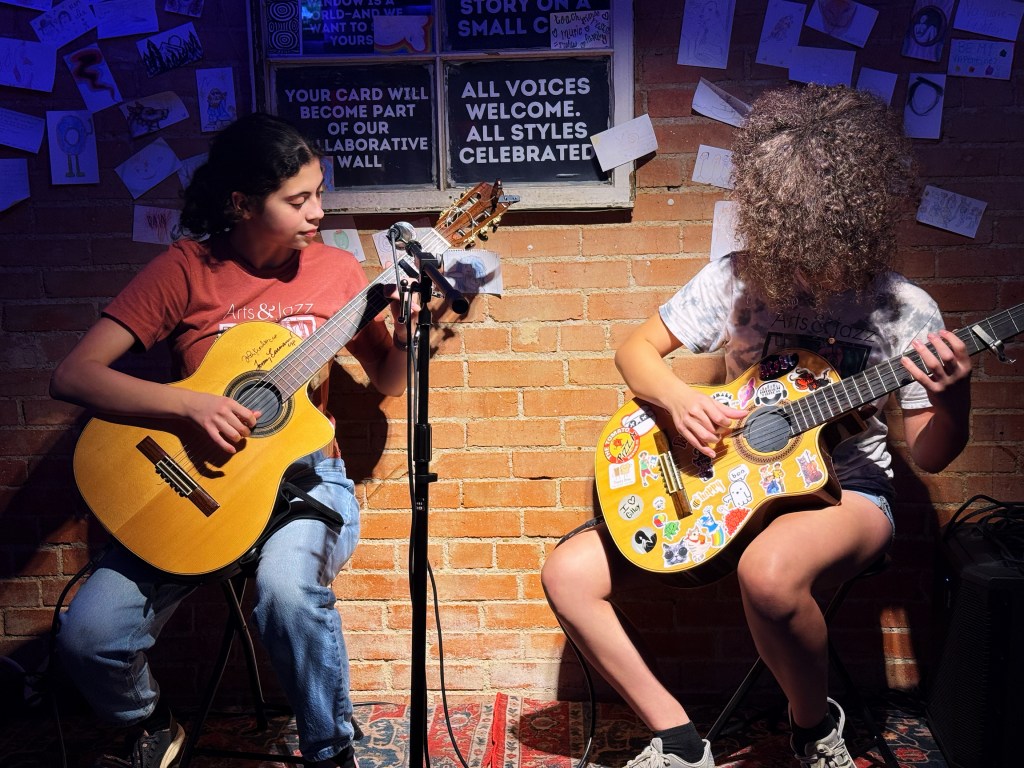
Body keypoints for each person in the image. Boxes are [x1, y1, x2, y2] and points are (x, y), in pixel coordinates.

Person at [541, 84, 973, 768]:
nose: (805, 269)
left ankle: (811, 728)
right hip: (728, 473)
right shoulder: (735, 279)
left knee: (768, 575)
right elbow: (634, 352)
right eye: (792, 243)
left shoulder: (906, 309)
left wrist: (954, 400)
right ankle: (679, 741)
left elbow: (931, 453)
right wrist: (679, 403)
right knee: (567, 573)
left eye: (822, 246)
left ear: (857, 225)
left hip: (848, 487)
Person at [50, 113, 412, 768]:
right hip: (195, 485)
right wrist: (188, 405)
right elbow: (74, 376)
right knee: (89, 634)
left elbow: (386, 380)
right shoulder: (185, 270)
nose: (318, 213)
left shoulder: (335, 271)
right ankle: (148, 722)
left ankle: (332, 755)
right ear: (243, 203)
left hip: (303, 481)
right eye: (298, 200)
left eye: (319, 193)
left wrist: (415, 332)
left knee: (286, 592)